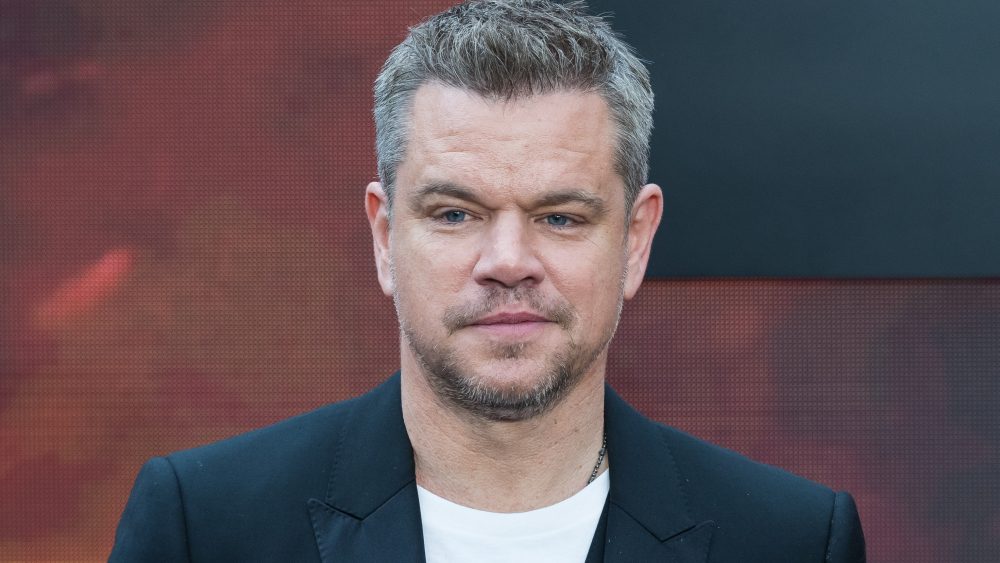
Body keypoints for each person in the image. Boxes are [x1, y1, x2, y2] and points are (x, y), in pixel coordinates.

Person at [110, 1, 866, 561]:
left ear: (635, 241)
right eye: (455, 213)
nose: (508, 259)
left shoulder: (790, 539)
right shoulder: (203, 526)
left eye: (561, 217)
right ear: (383, 234)